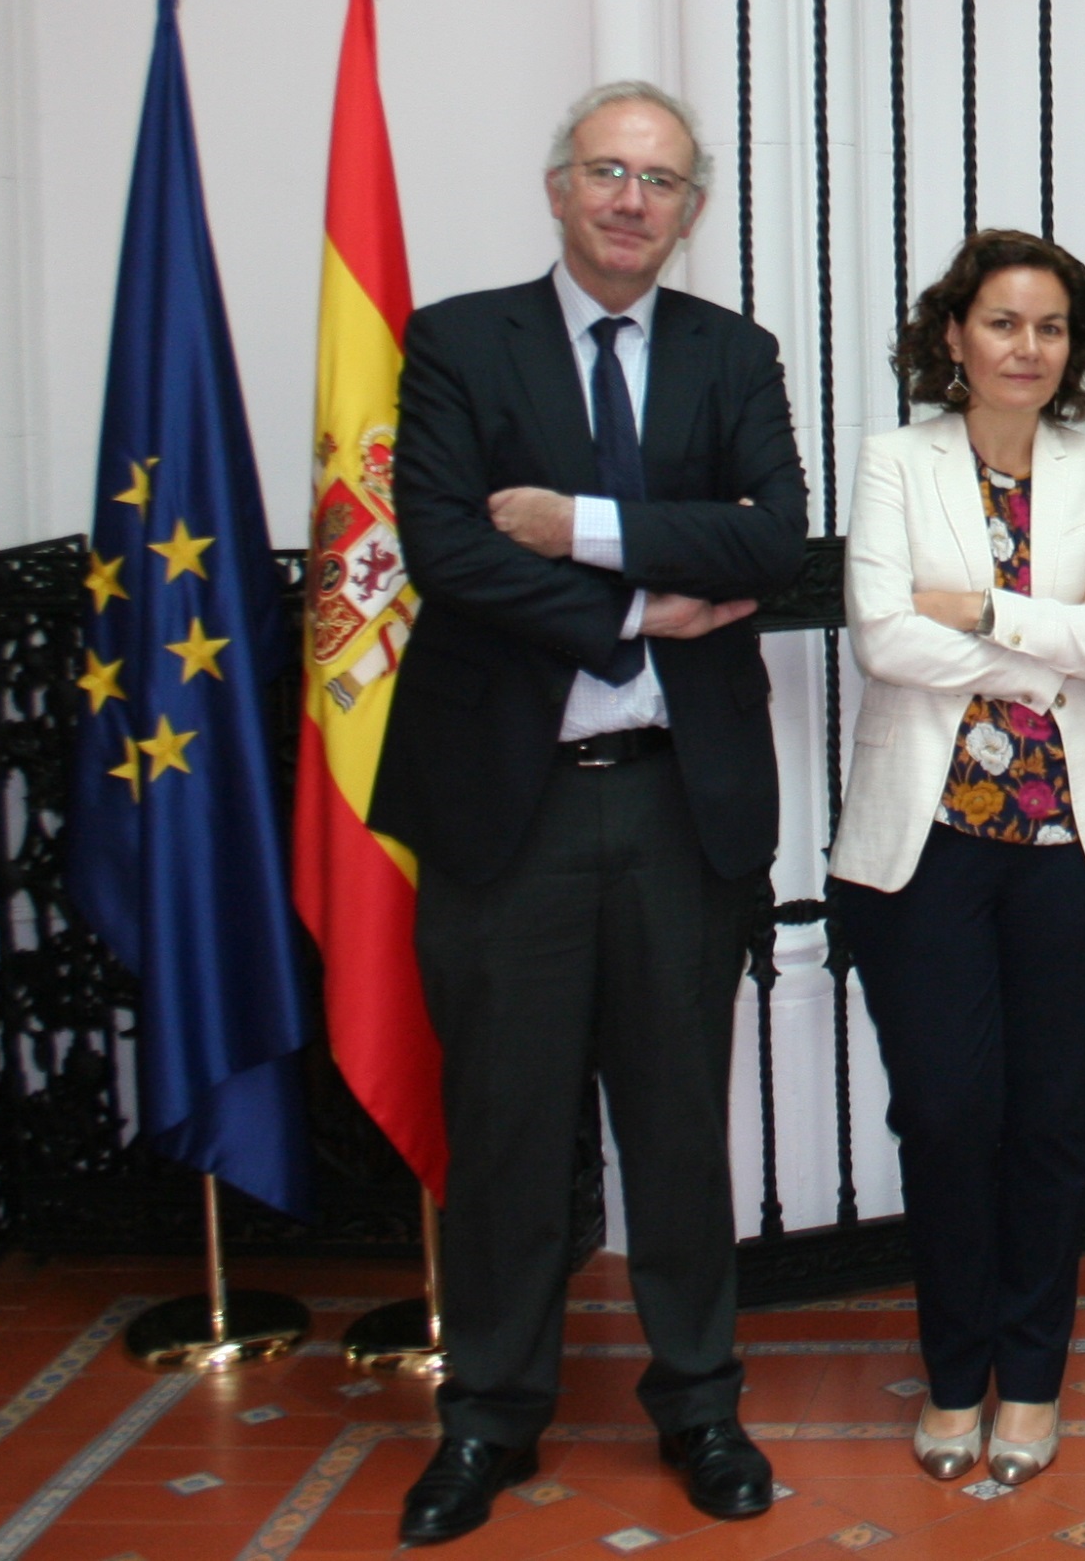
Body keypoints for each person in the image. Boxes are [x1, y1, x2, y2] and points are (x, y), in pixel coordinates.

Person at [372, 81, 808, 1545]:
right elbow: (443, 548)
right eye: (609, 171)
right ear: (559, 187)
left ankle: (700, 1402)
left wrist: (580, 526)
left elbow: (773, 536)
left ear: (692, 209)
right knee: (503, 1129)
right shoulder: (457, 340)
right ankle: (488, 1415)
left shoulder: (733, 351)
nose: (634, 199)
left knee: (681, 1125)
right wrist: (640, 606)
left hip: (682, 808)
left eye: (664, 179)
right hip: (512, 813)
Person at [827, 230, 1085, 1488]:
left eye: (1051, 327)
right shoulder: (893, 461)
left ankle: (1028, 1380)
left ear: (1071, 349)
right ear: (953, 334)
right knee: (946, 1113)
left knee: (1047, 1120)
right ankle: (951, 1370)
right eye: (1003, 322)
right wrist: (1053, 640)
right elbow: (882, 639)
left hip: (1071, 852)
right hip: (926, 853)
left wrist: (978, 611)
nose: (1027, 347)